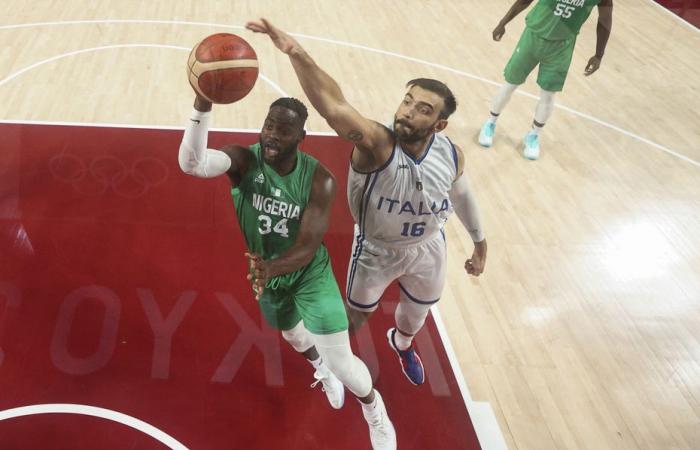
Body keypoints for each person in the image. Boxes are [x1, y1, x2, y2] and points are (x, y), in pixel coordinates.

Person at [246, 19, 488, 387]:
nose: (408, 111)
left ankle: (402, 344)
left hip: (428, 248)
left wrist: (480, 242)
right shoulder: (377, 145)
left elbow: (463, 195)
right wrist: (296, 52)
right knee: (354, 318)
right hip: (376, 251)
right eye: (407, 101)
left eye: (423, 109)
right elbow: (334, 106)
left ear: (439, 125)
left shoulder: (452, 155)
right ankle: (329, 364)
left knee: (414, 319)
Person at [178, 93, 396, 450]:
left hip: (309, 272)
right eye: (268, 126)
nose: (272, 136)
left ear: (300, 138)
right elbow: (192, 164)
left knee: (342, 361)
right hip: (267, 271)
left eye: (283, 130)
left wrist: (269, 268)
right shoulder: (244, 160)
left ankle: (374, 409)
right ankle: (319, 368)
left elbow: (308, 245)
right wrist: (203, 103)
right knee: (294, 337)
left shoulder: (319, 179)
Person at [478, 0, 614, 160]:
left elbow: (605, 19)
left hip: (562, 46)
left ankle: (534, 135)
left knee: (548, 95)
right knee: (510, 84)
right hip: (533, 36)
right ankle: (490, 122)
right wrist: (503, 22)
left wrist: (599, 54)